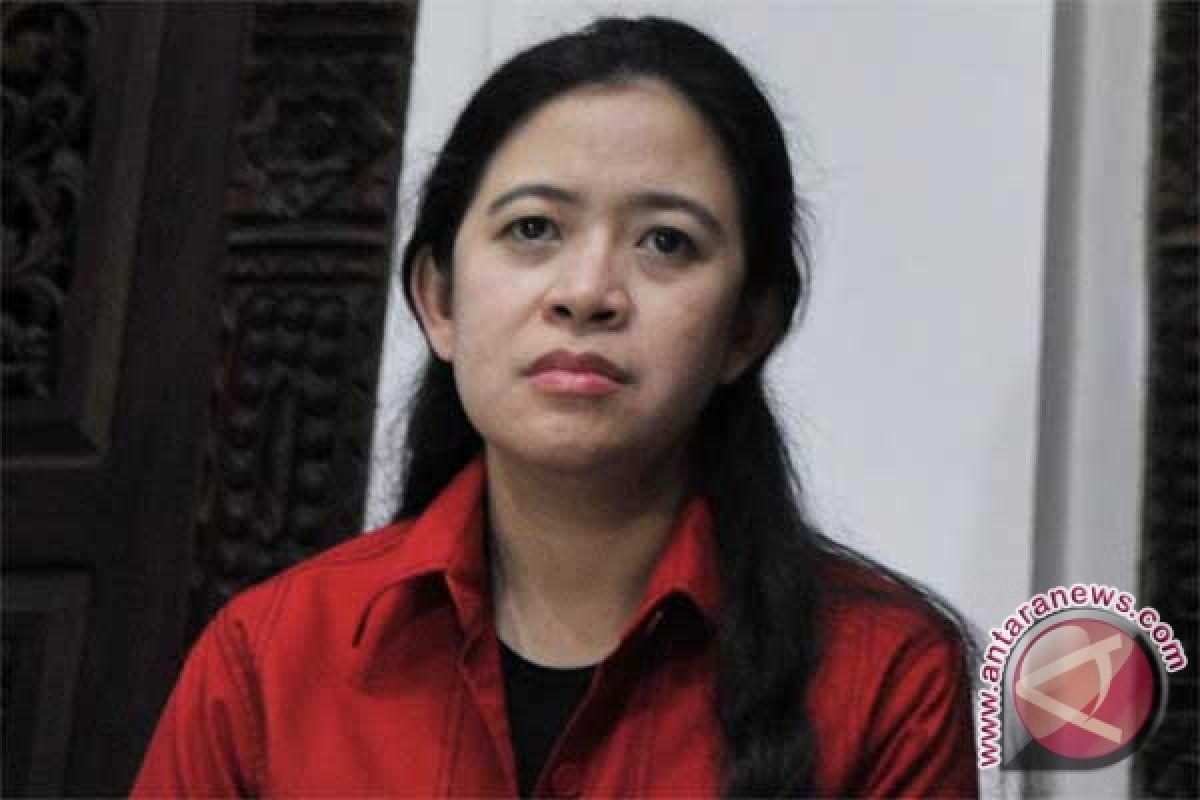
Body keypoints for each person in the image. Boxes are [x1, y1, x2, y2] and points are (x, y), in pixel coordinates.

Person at [133, 15, 979, 799]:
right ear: (439, 300)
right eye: (534, 229)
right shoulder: (268, 660)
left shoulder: (885, 679)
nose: (587, 292)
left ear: (746, 329)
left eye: (666, 242)